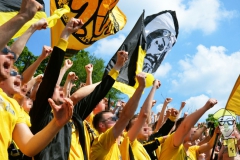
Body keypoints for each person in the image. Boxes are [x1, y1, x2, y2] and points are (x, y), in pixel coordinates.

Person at [91, 72, 146, 160]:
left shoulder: (115, 146)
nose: (117, 120)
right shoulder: (102, 141)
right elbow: (125, 116)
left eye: (116, 118)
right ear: (101, 125)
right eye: (113, 119)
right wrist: (140, 88)